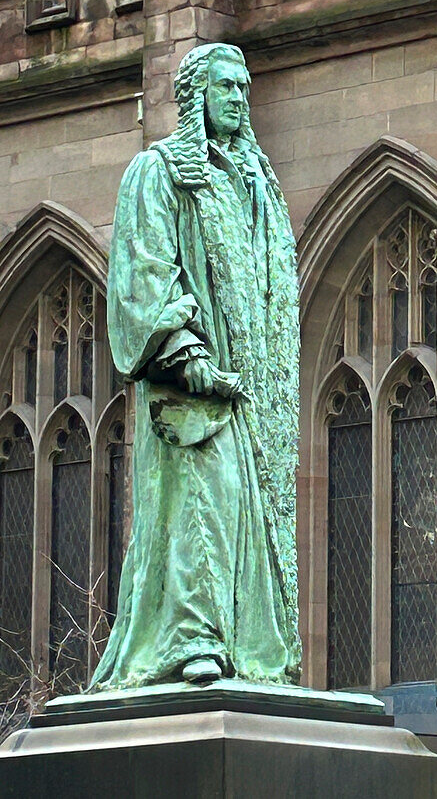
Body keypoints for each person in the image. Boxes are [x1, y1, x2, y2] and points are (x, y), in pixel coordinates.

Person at [91, 43, 300, 689]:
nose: (238, 98)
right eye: (224, 87)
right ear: (195, 98)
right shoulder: (158, 173)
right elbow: (142, 279)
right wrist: (188, 356)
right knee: (203, 511)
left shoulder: (259, 186)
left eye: (243, 88)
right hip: (193, 400)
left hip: (252, 402)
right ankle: (191, 643)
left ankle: (246, 647)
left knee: (247, 525)